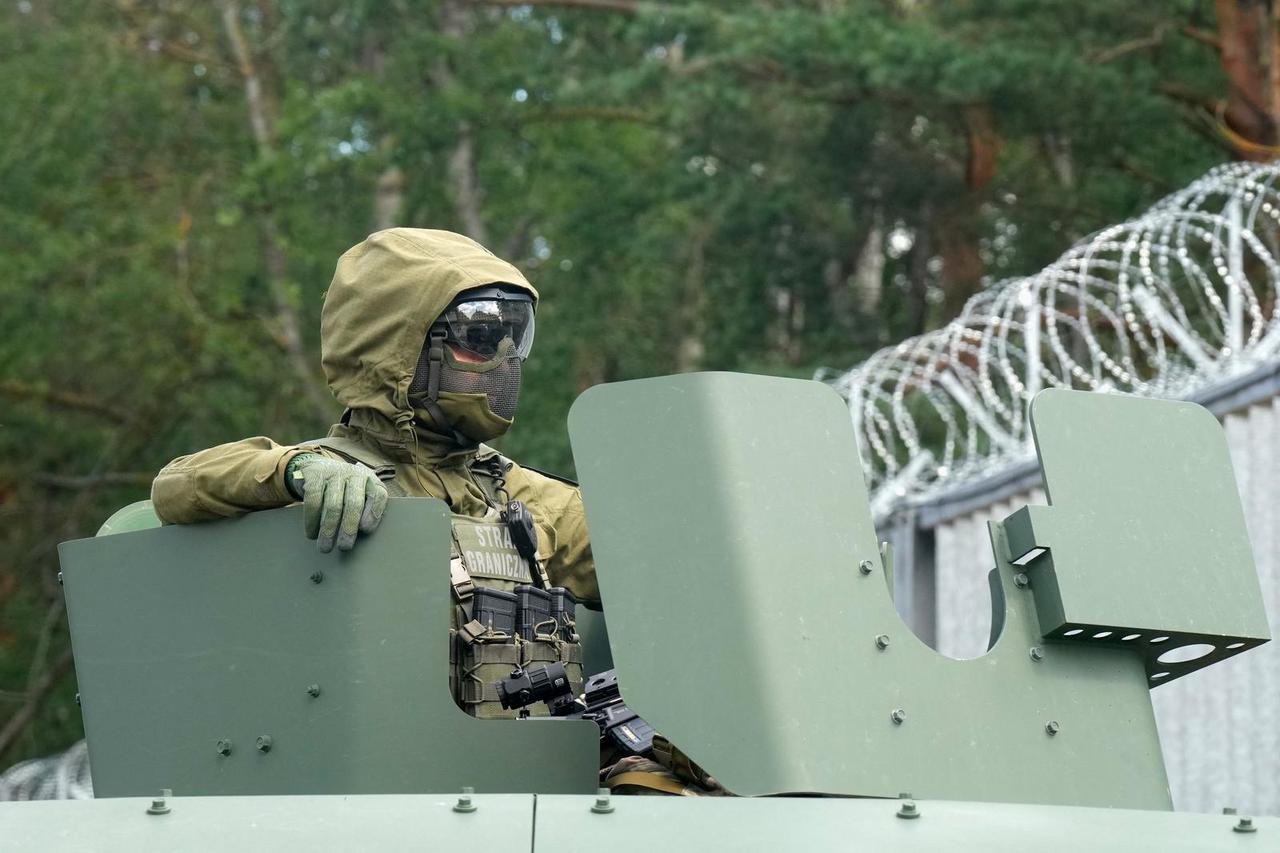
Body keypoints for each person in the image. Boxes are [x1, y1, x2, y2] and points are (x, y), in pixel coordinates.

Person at [151, 228, 595, 719]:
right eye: (482, 338)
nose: (505, 361)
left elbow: (655, 566)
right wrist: (291, 470)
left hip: (537, 776)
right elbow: (175, 485)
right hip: (388, 776)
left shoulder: (518, 492)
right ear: (400, 351)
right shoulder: (330, 474)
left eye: (516, 337)